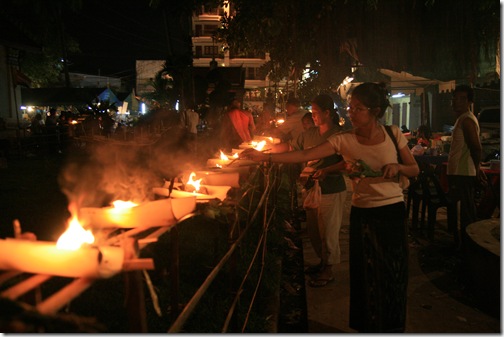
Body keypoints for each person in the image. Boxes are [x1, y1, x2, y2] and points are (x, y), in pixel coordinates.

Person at [241, 82, 419, 332]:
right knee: (365, 275)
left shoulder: (393, 133)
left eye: (358, 108)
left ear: (375, 110)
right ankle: (369, 326)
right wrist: (266, 157)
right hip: (363, 214)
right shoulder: (342, 140)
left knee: (394, 273)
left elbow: (414, 169)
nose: (350, 113)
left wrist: (398, 168)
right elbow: (304, 155)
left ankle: (392, 326)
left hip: (392, 212)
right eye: (350, 107)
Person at [294, 95, 347, 287]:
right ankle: (322, 262)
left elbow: (348, 162)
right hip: (310, 188)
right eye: (312, 111)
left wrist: (327, 170)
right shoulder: (308, 135)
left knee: (328, 232)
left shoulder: (339, 135)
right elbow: (294, 150)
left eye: (316, 112)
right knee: (314, 231)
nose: (313, 115)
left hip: (331, 189)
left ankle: (329, 270)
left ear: (328, 112)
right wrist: (266, 155)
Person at [446, 85, 486, 249]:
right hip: (459, 173)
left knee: (463, 213)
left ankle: (465, 247)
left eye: (461, 98)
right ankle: (463, 246)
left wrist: (476, 169)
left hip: (462, 174)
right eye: (454, 97)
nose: (456, 101)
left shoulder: (467, 120)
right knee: (461, 211)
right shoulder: (462, 119)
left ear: (469, 102)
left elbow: (476, 148)